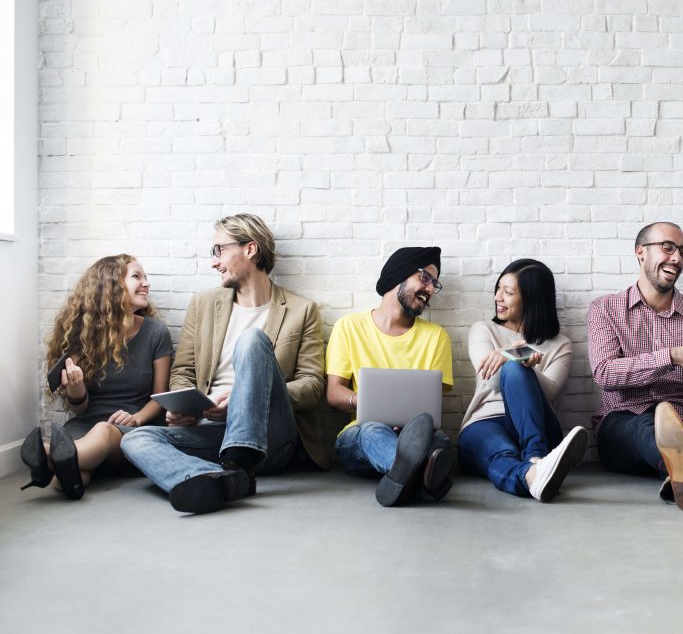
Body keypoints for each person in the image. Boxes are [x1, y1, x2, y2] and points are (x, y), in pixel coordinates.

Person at [120, 214, 325, 514]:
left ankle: (238, 459)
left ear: (250, 249)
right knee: (136, 439)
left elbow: (312, 385)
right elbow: (183, 372)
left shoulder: (301, 310)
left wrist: (245, 399)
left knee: (252, 340)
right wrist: (185, 407)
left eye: (219, 250)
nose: (214, 262)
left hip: (271, 436)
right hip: (212, 431)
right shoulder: (203, 304)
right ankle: (219, 478)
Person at [587, 221, 683, 511]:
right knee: (648, 425)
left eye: (682, 251)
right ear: (640, 252)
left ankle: (682, 474)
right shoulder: (605, 309)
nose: (677, 259)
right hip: (622, 421)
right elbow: (605, 373)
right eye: (667, 248)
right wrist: (671, 356)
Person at [19, 255, 173, 500]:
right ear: (112, 285)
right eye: (136, 277)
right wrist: (76, 386)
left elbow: (161, 397)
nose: (146, 284)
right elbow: (79, 409)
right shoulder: (83, 337)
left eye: (146, 278)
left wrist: (135, 418)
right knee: (74, 474)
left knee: (103, 431)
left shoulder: (156, 333)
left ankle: (46, 454)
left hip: (135, 430)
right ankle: (67, 470)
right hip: (84, 425)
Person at [326, 246, 455, 507]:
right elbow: (333, 393)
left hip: (415, 433)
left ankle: (402, 477)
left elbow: (432, 403)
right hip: (362, 437)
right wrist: (360, 400)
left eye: (434, 284)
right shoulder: (349, 327)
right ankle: (420, 475)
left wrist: (410, 424)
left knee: (438, 438)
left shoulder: (436, 336)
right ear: (399, 274)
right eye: (425, 278)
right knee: (373, 430)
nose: (430, 290)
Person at [459, 259, 589, 502]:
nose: (498, 297)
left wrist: (521, 357)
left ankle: (535, 457)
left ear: (532, 298)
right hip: (486, 422)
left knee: (516, 370)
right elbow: (493, 381)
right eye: (498, 289)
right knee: (501, 454)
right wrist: (514, 351)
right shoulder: (483, 329)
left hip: (536, 426)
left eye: (508, 292)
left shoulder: (560, 344)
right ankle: (533, 475)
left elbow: (548, 393)